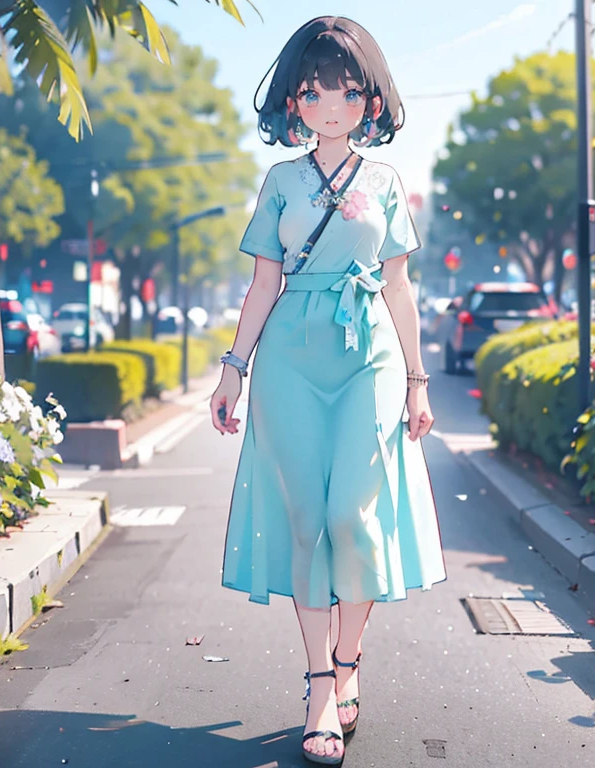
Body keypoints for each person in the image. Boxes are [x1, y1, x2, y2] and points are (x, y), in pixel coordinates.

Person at [210, 16, 447, 765]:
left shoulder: (384, 182)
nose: (331, 105)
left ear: (369, 99)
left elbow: (400, 286)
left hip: (368, 357)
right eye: (315, 92)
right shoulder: (281, 181)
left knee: (354, 513)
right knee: (309, 519)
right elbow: (263, 282)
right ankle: (321, 688)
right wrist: (233, 367)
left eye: (346, 90)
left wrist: (417, 381)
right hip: (289, 359)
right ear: (295, 102)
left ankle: (349, 662)